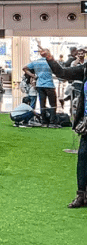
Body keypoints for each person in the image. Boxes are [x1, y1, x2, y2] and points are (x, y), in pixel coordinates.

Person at [37, 48, 86, 207]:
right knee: (83, 159)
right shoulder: (85, 69)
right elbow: (62, 72)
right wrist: (50, 58)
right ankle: (81, 195)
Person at [23, 55, 58, 127]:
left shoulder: (36, 62)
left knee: (42, 104)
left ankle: (44, 121)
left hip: (39, 85)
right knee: (53, 104)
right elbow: (58, 71)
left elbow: (24, 68)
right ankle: (52, 122)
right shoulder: (50, 62)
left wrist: (33, 75)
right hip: (49, 85)